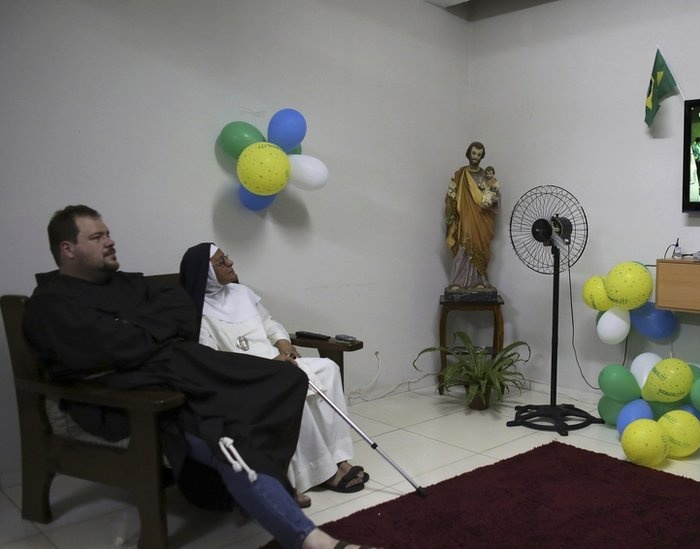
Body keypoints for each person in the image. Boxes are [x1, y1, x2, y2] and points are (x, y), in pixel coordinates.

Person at [22, 205, 371, 549]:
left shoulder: (128, 284)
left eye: (108, 233)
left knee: (287, 379)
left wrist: (133, 331)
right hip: (138, 397)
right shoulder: (49, 304)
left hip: (186, 372)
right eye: (97, 237)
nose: (110, 242)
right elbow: (109, 349)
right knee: (230, 437)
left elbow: (178, 311)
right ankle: (312, 538)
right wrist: (149, 333)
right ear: (67, 249)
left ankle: (281, 480)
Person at [179, 243, 368, 503]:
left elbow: (269, 323)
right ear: (205, 274)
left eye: (228, 257)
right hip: (249, 376)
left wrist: (283, 343)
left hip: (277, 360)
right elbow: (215, 359)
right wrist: (270, 365)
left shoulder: (241, 293)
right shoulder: (196, 312)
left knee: (328, 369)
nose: (230, 263)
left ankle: (337, 458)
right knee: (294, 385)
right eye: (221, 262)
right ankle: (320, 472)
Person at [445, 141, 499, 292]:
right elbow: (451, 195)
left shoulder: (486, 175)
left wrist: (494, 199)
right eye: (474, 153)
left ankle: (479, 281)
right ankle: (457, 281)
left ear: (482, 157)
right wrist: (451, 205)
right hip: (466, 216)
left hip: (482, 218)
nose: (475, 157)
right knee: (464, 243)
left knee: (480, 247)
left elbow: (494, 194)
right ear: (468, 153)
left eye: (479, 155)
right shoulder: (460, 175)